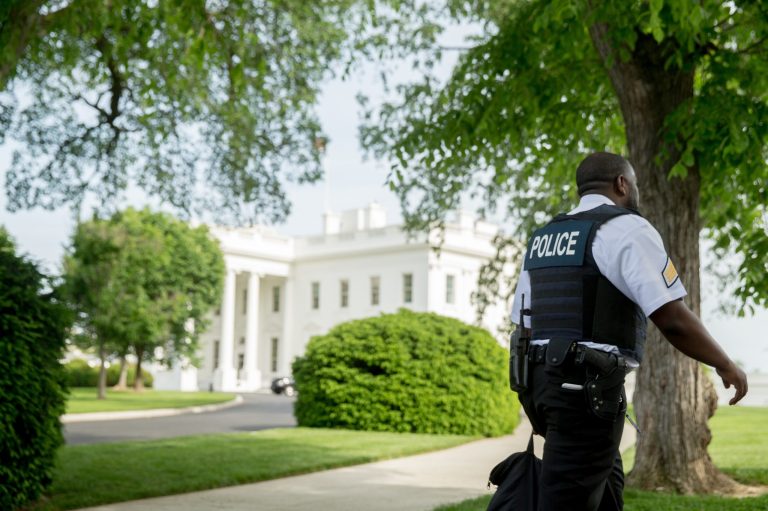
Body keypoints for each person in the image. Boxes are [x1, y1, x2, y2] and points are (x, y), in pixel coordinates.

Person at [509, 151, 748, 511]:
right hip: (584, 391)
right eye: (633, 184)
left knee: (606, 492)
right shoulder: (626, 228)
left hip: (543, 385)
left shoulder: (543, 238)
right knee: (565, 501)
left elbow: (523, 323)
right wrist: (725, 364)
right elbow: (671, 317)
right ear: (622, 183)